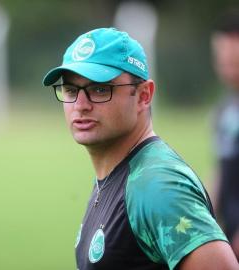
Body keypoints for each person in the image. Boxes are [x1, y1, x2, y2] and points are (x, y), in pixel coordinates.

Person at [42, 27, 239, 269]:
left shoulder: (157, 186)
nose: (80, 105)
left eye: (100, 89)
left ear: (144, 95)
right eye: (71, 90)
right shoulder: (122, 173)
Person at [211, 8, 239, 260]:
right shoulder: (223, 111)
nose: (224, 61)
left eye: (231, 55)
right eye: (220, 55)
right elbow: (221, 168)